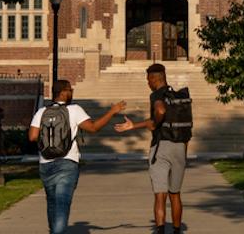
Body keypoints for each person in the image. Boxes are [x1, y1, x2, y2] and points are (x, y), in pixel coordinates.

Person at [28, 80, 126, 234]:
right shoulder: (74, 110)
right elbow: (93, 128)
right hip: (67, 162)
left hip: (45, 163)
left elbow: (32, 136)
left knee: (52, 203)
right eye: (70, 89)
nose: (71, 92)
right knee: (62, 204)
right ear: (63, 92)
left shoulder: (41, 112)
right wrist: (112, 111)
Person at [115, 63, 187, 234]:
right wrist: (138, 125)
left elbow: (160, 111)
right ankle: (177, 230)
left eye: (148, 80)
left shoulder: (157, 95)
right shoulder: (178, 96)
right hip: (179, 147)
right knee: (175, 194)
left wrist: (155, 123)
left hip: (161, 147)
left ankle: (160, 230)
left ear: (155, 79)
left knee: (160, 195)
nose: (148, 83)